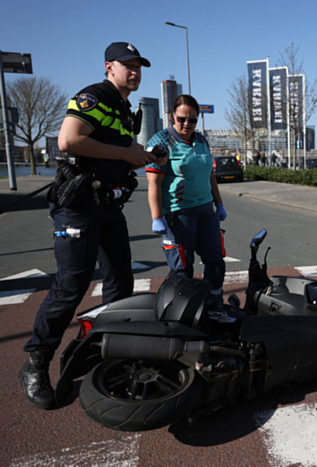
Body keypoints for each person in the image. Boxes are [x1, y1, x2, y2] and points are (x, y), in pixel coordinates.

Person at [18, 42, 157, 409]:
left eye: (139, 66)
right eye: (127, 65)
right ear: (109, 67)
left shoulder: (125, 108)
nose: (135, 72)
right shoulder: (95, 96)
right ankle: (36, 362)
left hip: (107, 206)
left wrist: (141, 158)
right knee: (72, 284)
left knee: (120, 281)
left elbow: (113, 155)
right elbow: (69, 140)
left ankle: (107, 350)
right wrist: (127, 152)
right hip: (79, 207)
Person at [146, 95, 227, 307]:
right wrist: (157, 217)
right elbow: (154, 183)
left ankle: (214, 302)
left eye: (192, 120)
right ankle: (181, 307)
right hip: (179, 213)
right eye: (181, 118)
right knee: (183, 267)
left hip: (206, 210)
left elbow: (210, 175)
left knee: (216, 261)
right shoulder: (161, 141)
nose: (186, 124)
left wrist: (219, 204)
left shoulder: (201, 140)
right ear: (172, 115)